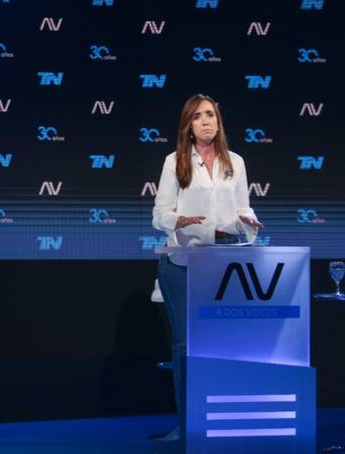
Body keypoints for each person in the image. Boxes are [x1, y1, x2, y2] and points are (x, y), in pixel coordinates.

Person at [150, 93, 264, 441]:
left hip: (223, 263)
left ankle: (219, 422)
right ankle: (188, 426)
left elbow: (243, 207)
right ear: (188, 125)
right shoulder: (175, 161)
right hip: (183, 262)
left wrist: (249, 220)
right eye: (198, 116)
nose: (206, 122)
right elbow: (159, 214)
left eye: (211, 115)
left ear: (219, 120)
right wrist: (180, 220)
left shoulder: (235, 161)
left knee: (222, 345)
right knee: (185, 347)